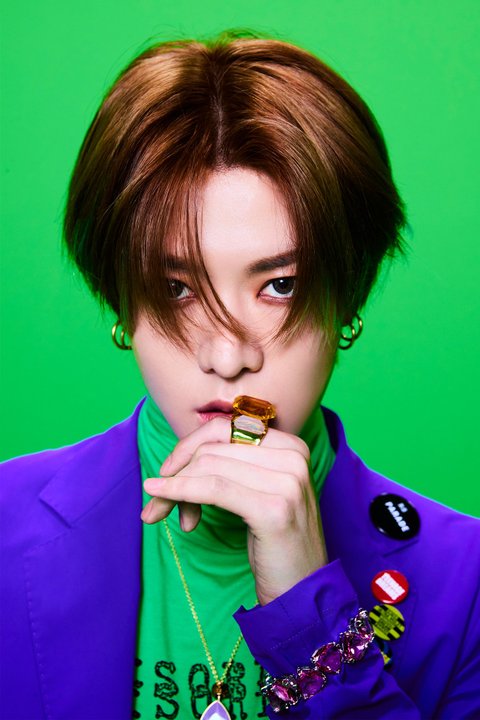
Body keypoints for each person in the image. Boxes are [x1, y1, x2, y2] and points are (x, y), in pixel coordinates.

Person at [1, 31, 479, 720]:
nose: (227, 360)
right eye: (176, 289)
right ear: (121, 303)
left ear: (348, 296)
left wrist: (313, 618)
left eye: (280, 285)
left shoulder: (465, 584)